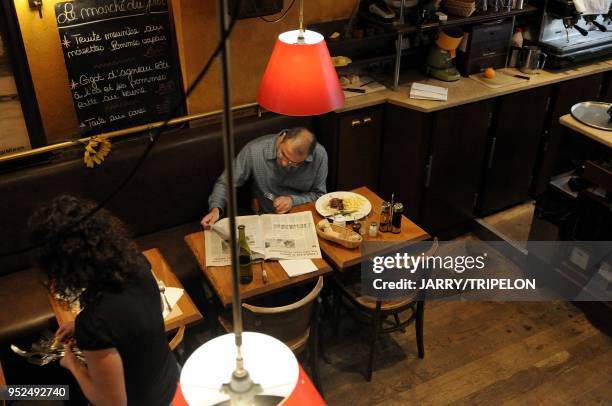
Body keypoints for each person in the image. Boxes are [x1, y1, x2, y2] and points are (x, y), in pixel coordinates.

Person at [29, 195, 178, 406]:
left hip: (148, 401)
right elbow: (155, 309)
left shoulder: (94, 324)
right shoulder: (137, 263)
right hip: (170, 377)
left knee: (65, 392)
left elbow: (112, 403)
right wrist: (80, 325)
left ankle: (13, 394)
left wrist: (73, 365)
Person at [201, 127, 328, 228]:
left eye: (294, 163)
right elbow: (226, 183)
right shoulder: (254, 150)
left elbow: (320, 195)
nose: (284, 163)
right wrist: (215, 209)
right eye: (282, 154)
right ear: (282, 137)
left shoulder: (319, 155)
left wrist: (292, 200)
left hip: (304, 218)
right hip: (267, 217)